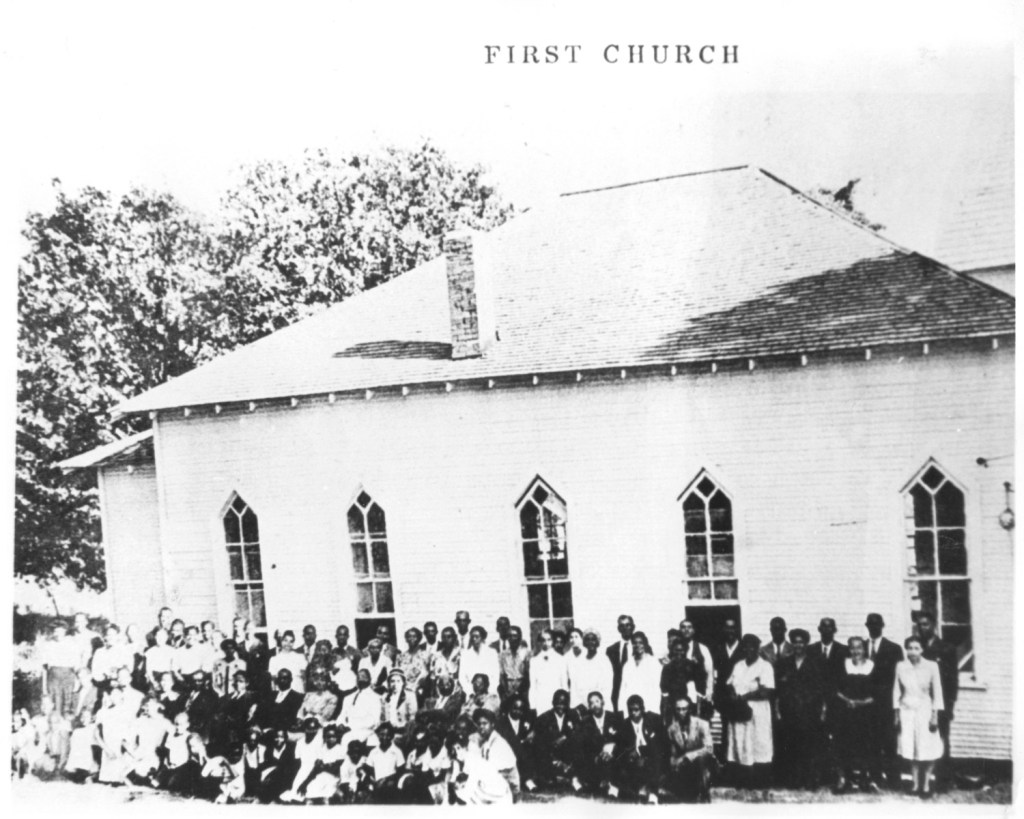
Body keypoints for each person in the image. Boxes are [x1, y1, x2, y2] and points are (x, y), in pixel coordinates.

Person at [893, 635, 945, 799]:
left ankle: (926, 784)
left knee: (928, 746)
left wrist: (935, 715)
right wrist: (896, 713)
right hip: (907, 710)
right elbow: (896, 690)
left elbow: (937, 691)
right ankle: (915, 784)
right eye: (909, 648)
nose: (913, 651)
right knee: (911, 747)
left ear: (922, 650)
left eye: (916, 648)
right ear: (905, 650)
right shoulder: (901, 666)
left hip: (925, 709)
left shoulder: (931, 666)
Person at [774, 628, 826, 789]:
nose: (798, 645)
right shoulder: (784, 663)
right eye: (795, 642)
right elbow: (778, 690)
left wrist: (823, 709)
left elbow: (821, 688)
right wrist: (777, 710)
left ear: (806, 644)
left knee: (810, 746)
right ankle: (794, 780)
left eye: (801, 642)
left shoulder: (815, 662)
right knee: (792, 746)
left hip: (810, 710)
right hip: (789, 711)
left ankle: (811, 780)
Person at [832, 636, 882, 793]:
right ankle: (844, 779)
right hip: (845, 711)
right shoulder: (843, 665)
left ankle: (864, 779)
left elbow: (877, 693)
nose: (856, 651)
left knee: (865, 745)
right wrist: (848, 701)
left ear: (864, 649)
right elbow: (835, 689)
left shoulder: (872, 666)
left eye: (859, 647)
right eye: (852, 648)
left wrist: (861, 703)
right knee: (843, 745)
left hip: (866, 713)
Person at [725, 633, 775, 788]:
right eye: (746, 647)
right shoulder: (739, 665)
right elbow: (729, 684)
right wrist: (733, 695)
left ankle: (759, 781)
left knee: (758, 743)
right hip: (739, 710)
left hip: (757, 711)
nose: (749, 650)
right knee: (740, 742)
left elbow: (768, 691)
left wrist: (746, 696)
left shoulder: (765, 666)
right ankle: (742, 779)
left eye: (752, 647)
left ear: (757, 648)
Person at [916, 611, 958, 791]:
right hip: (920, 702)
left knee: (941, 739)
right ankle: (923, 780)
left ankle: (943, 780)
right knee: (923, 739)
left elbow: (952, 682)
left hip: (939, 703)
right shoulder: (916, 648)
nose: (922, 628)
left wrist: (948, 706)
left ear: (933, 625)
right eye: (919, 625)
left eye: (925, 624)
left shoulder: (946, 648)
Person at [864, 613, 904, 789]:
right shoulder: (861, 647)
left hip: (886, 704)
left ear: (882, 626)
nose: (874, 627)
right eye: (870, 625)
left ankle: (894, 779)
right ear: (867, 626)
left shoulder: (893, 649)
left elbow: (899, 678)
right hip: (866, 704)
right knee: (870, 743)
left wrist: (897, 706)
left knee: (889, 742)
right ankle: (875, 777)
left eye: (877, 624)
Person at [610, 694, 666, 804]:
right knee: (620, 763)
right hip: (632, 759)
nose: (633, 713)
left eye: (636, 710)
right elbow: (621, 747)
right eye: (630, 710)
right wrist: (631, 754)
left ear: (643, 709)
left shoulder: (654, 720)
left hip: (652, 756)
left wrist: (641, 752)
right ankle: (619, 790)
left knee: (656, 761)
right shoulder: (624, 725)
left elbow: (660, 744)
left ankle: (653, 794)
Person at [665, 695, 716, 803]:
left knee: (699, 761)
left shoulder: (702, 724)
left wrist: (688, 756)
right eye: (678, 709)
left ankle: (703, 794)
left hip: (702, 765)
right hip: (684, 768)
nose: (681, 712)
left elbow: (709, 748)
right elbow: (673, 754)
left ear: (690, 710)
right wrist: (674, 763)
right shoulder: (672, 729)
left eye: (684, 709)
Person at [470, 707, 520, 799]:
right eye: (479, 724)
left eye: (485, 723)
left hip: (507, 787)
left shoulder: (498, 743)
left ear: (492, 724)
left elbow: (496, 773)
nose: (481, 727)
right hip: (494, 782)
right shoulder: (485, 740)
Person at [711, 618, 742, 762]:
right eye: (727, 628)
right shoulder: (718, 649)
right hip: (723, 698)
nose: (730, 631)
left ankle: (740, 764)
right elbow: (714, 674)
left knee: (739, 732)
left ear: (737, 630)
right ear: (724, 630)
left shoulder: (743, 649)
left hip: (739, 698)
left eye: (733, 628)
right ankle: (726, 765)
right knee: (725, 732)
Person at [532, 688, 577, 787]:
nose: (561, 706)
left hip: (568, 758)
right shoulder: (543, 719)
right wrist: (556, 761)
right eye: (558, 703)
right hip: (551, 757)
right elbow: (540, 745)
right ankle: (556, 779)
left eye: (564, 703)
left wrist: (564, 737)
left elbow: (578, 735)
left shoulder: (574, 716)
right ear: (552, 703)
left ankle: (568, 778)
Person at [496, 695, 537, 793]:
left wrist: (532, 733)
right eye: (515, 708)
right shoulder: (501, 722)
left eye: (521, 709)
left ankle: (526, 779)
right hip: (507, 754)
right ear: (509, 707)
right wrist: (522, 741)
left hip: (523, 756)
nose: (518, 712)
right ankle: (527, 779)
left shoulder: (525, 721)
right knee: (515, 743)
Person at [280, 717, 326, 802]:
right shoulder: (300, 742)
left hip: (314, 771)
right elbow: (297, 762)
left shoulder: (319, 742)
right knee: (293, 792)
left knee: (306, 792)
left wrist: (305, 783)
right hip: (302, 769)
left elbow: (318, 766)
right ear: (304, 729)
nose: (311, 732)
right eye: (309, 729)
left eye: (314, 730)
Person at [336, 668, 383, 750]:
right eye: (358, 677)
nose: (360, 679)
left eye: (363, 676)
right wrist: (340, 724)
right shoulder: (348, 697)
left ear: (369, 679)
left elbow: (373, 720)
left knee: (347, 738)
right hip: (347, 729)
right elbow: (342, 714)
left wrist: (351, 726)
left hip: (365, 730)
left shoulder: (375, 697)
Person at [40, 619, 79, 717]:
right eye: (55, 630)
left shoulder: (72, 644)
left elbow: (77, 665)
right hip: (53, 678)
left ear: (65, 630)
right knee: (54, 704)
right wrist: (44, 687)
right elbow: (44, 668)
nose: (57, 633)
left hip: (68, 676)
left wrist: (77, 682)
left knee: (67, 703)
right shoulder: (48, 645)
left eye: (59, 630)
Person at [568, 629, 612, 712]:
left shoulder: (604, 660)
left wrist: (596, 703)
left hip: (600, 706)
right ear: (584, 643)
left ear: (597, 642)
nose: (590, 642)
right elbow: (574, 686)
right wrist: (579, 705)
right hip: (582, 707)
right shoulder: (579, 662)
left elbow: (607, 686)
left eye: (593, 639)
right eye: (587, 640)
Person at [618, 632, 661, 717]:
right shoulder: (628, 664)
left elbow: (657, 689)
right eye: (635, 643)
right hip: (631, 707)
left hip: (648, 706)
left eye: (640, 643)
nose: (637, 645)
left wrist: (653, 710)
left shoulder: (653, 663)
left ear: (645, 644)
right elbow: (623, 689)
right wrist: (622, 710)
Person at [529, 628, 569, 716]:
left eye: (549, 640)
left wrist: (565, 702)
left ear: (553, 641)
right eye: (543, 640)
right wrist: (533, 706)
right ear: (539, 642)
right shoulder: (534, 661)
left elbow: (564, 684)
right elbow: (533, 686)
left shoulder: (561, 659)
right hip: (541, 700)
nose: (546, 643)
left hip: (557, 700)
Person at [660, 638, 699, 720]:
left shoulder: (692, 666)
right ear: (672, 651)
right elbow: (664, 689)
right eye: (676, 650)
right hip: (672, 704)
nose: (679, 653)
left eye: (681, 650)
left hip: (689, 704)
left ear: (685, 651)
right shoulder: (667, 668)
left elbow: (697, 688)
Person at [606, 614, 636, 713]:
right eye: (622, 626)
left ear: (633, 627)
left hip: (635, 689)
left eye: (628, 625)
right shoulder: (611, 650)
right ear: (618, 629)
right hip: (617, 694)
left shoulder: (641, 647)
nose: (625, 628)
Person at [458, 626, 499, 697]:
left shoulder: (492, 653)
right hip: (471, 694)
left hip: (489, 693)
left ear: (482, 638)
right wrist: (470, 692)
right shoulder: (465, 655)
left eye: (477, 637)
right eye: (472, 637)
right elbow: (462, 677)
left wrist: (490, 691)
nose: (474, 639)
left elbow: (496, 675)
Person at [382, 668, 418, 742]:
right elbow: (382, 717)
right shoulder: (385, 697)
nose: (395, 684)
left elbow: (412, 718)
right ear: (389, 683)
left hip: (403, 733)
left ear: (403, 683)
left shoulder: (409, 696)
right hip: (388, 733)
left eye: (398, 681)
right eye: (392, 681)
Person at [396, 627, 430, 705]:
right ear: (406, 639)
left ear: (419, 638)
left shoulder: (426, 655)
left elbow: (428, 674)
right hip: (404, 692)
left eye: (414, 636)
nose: (411, 639)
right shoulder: (401, 656)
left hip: (420, 692)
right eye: (409, 636)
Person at [498, 625, 531, 702]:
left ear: (520, 637)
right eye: (509, 636)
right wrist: (506, 692)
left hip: (523, 688)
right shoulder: (503, 655)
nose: (512, 639)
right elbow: (502, 675)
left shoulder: (527, 653)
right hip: (508, 688)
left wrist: (519, 691)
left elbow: (528, 675)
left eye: (515, 636)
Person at [428, 627, 461, 695]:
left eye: (449, 637)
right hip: (439, 694)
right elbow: (432, 679)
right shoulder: (435, 656)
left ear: (454, 638)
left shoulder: (460, 654)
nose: (446, 640)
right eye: (444, 637)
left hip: (456, 694)